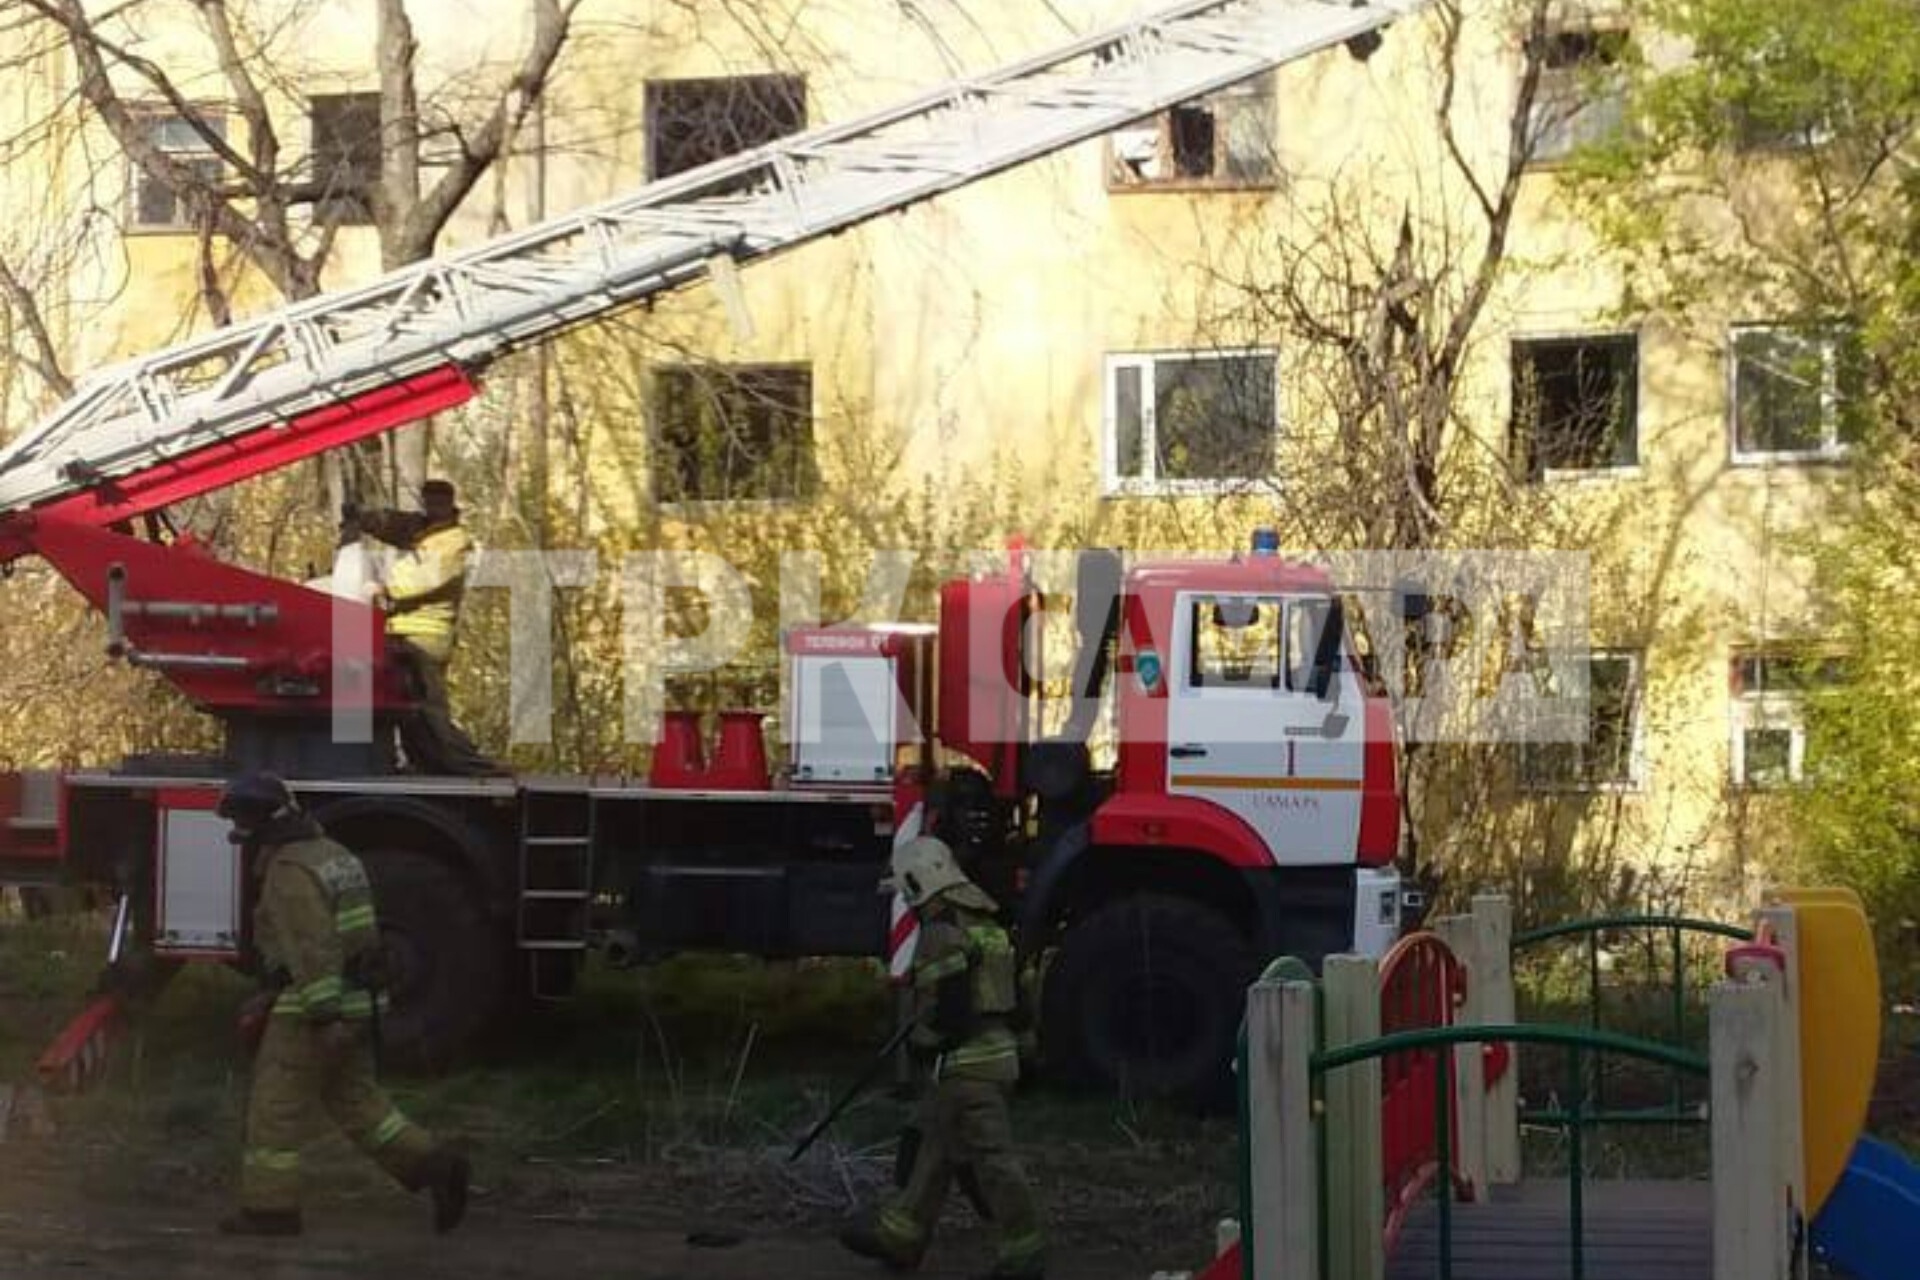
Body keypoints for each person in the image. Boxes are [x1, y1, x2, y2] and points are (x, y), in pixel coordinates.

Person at [217, 771, 470, 1237]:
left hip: (313, 1008)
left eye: (243, 826)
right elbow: (356, 937)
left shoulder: (289, 871)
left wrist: (323, 1014)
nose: (242, 838)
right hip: (358, 999)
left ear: (262, 824)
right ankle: (436, 1165)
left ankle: (269, 1210)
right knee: (358, 1103)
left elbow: (312, 947)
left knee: (274, 1106)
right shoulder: (332, 854)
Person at [840, 835, 1044, 1280]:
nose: (908, 903)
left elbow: (943, 1008)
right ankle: (901, 1236)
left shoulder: (941, 931)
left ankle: (1024, 1253)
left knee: (993, 1161)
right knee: (936, 1145)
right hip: (994, 1059)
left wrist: (921, 1044)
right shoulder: (990, 923)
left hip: (968, 1066)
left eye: (907, 891)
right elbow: (1023, 997)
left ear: (918, 882)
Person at [350, 479, 499, 775]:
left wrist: (384, 587)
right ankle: (429, 762)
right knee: (409, 705)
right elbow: (393, 524)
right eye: (428, 501)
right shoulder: (423, 530)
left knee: (427, 707)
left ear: (449, 503)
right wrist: (363, 518)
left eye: (437, 502)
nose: (431, 507)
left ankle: (464, 764)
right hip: (406, 628)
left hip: (427, 633)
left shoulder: (453, 540)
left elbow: (429, 577)